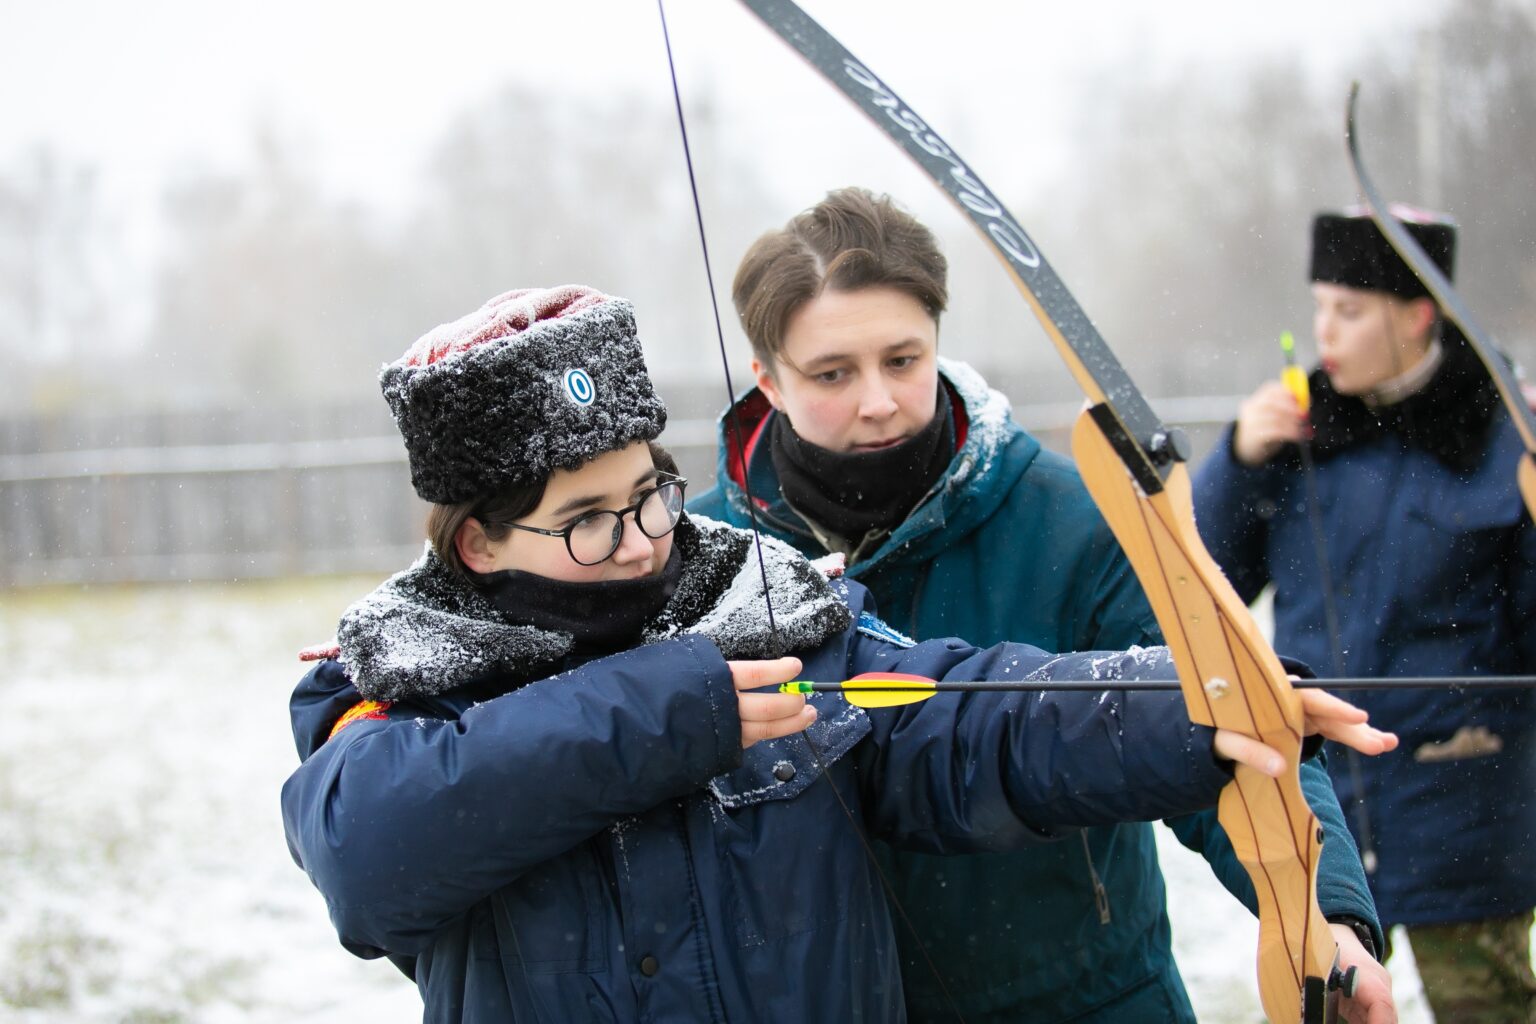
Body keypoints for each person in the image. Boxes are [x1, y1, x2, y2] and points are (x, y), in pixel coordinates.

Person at [281, 284, 1391, 1024]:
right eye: (588, 520)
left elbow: (963, 716)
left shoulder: (756, 609)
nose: (642, 544)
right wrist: (669, 705)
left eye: (651, 497)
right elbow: (371, 859)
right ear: (476, 540)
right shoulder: (398, 680)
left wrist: (1192, 706)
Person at [690, 187, 1396, 1022]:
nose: (878, 399)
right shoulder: (708, 555)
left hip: (1084, 994)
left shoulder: (1065, 516)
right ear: (768, 380)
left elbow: (1223, 717)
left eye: (903, 359)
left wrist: (1323, 918)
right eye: (833, 373)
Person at [1194, 207, 1536, 1024]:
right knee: (1335, 1007)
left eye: (1350, 310)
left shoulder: (1502, 433)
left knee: (1484, 1006)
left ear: (1418, 316)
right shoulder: (1298, 428)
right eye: (1318, 308)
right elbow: (1208, 586)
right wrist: (1238, 460)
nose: (1325, 332)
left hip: (1465, 791)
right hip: (1325, 793)